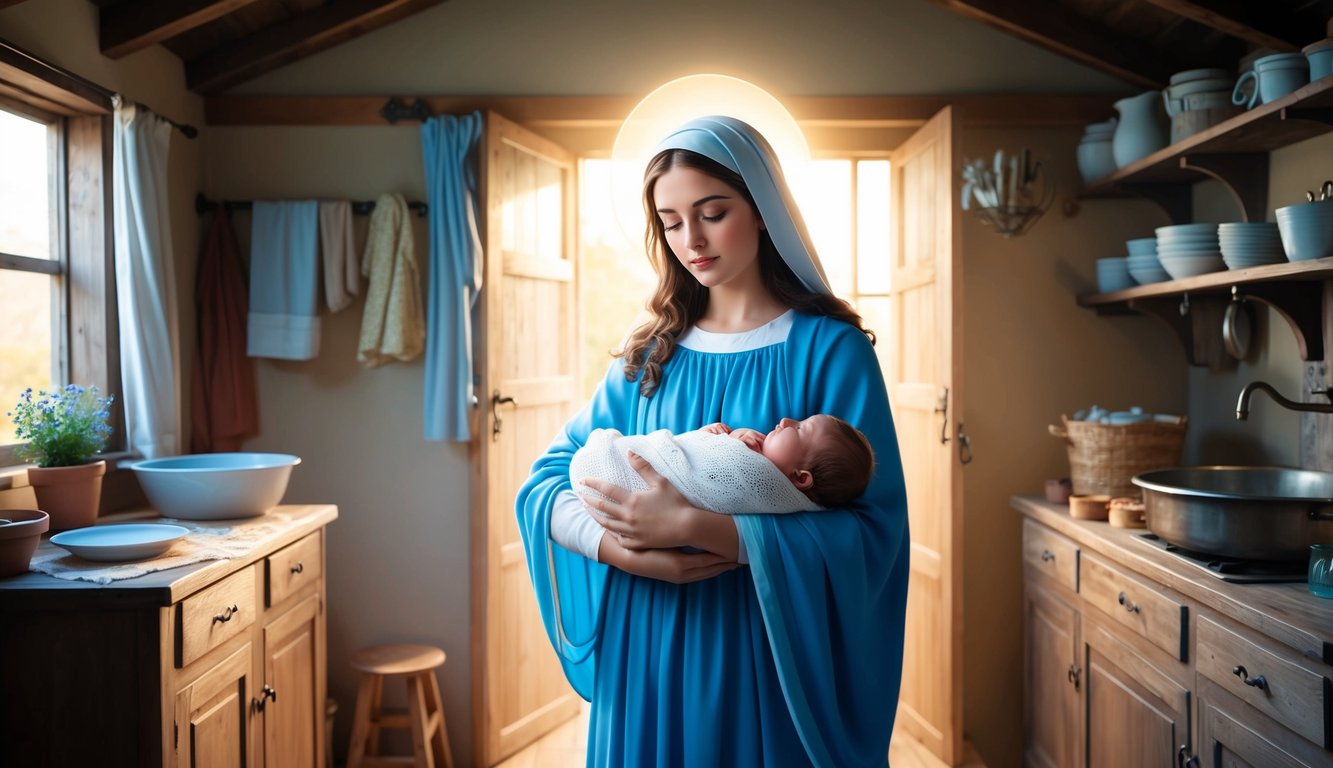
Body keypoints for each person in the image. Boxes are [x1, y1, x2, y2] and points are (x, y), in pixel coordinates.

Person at [516, 114, 910, 767]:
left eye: (711, 212)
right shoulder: (649, 356)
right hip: (643, 651)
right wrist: (620, 549)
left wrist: (706, 529)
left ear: (761, 211)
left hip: (766, 660)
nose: (690, 239)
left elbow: (873, 533)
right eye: (670, 222)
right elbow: (544, 484)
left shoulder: (830, 351)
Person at [570, 415, 876, 525]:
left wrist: (732, 447)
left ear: (800, 478)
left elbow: (711, 484)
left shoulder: (757, 480)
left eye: (800, 429)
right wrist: (719, 437)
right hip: (614, 473)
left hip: (618, 483)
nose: (785, 421)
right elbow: (694, 453)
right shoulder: (755, 454)